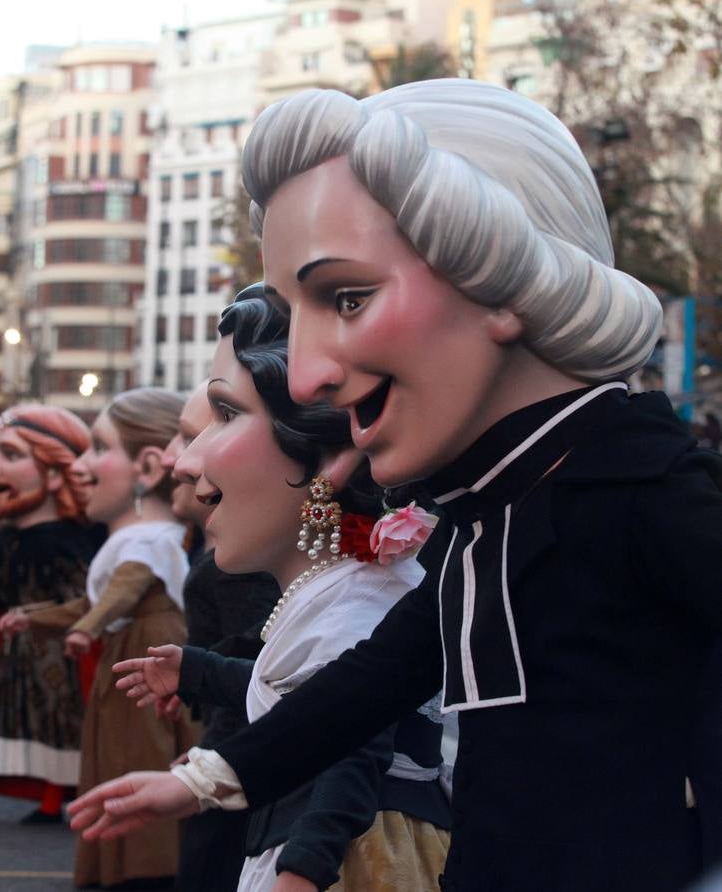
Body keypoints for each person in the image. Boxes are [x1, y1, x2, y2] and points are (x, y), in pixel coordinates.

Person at [68, 80, 722, 892]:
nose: (305, 377)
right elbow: (374, 678)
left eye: (347, 296)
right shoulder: (481, 517)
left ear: (499, 270)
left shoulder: (646, 491)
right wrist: (201, 778)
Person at [116, 289, 450, 892]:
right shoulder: (344, 588)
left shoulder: (361, 596)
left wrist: (302, 871)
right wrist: (201, 672)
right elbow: (312, 696)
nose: (186, 463)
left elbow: (351, 731)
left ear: (329, 457)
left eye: (225, 413)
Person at [1, 387, 198, 889]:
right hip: (132, 652)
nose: (80, 466)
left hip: (142, 658)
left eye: (99, 448)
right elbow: (97, 603)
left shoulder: (147, 540)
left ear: (149, 467)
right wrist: (37, 616)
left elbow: (121, 593)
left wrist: (84, 630)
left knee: (137, 760)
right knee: (122, 759)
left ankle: (140, 869)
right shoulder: (149, 538)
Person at [0, 405, 104, 825]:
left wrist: (40, 618)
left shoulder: (65, 543)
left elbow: (84, 599)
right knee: (3, 721)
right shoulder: (11, 537)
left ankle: (44, 800)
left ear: (52, 473)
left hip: (55, 656)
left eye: (10, 456)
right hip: (18, 654)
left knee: (54, 726)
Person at [160, 381, 280, 892]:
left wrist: (214, 760)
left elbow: (271, 685)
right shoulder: (224, 560)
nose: (177, 459)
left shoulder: (241, 569)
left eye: (217, 424)